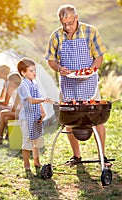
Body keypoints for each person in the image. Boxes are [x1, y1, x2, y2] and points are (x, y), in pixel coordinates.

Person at [45, 4, 111, 166]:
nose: (67, 27)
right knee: (69, 120)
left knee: (98, 120)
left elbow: (99, 57)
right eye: (64, 24)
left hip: (89, 81)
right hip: (68, 82)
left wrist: (91, 70)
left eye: (70, 23)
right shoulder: (56, 36)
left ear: (76, 18)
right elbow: (51, 60)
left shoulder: (91, 31)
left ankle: (103, 155)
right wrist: (59, 68)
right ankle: (76, 156)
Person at [17, 57, 50, 173]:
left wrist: (42, 112)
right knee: (27, 141)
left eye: (34, 70)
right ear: (23, 73)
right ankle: (26, 164)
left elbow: (38, 98)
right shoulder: (23, 86)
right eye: (31, 71)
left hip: (36, 115)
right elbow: (30, 100)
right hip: (26, 118)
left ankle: (36, 161)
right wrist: (43, 100)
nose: (34, 73)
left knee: (36, 139)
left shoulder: (35, 84)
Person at [0, 73, 22, 143]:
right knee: (6, 118)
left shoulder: (20, 90)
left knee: (3, 113)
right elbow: (14, 107)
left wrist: (8, 111)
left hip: (23, 112)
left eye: (11, 82)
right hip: (19, 110)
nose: (10, 85)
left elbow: (15, 107)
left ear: (15, 81)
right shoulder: (16, 88)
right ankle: (8, 136)